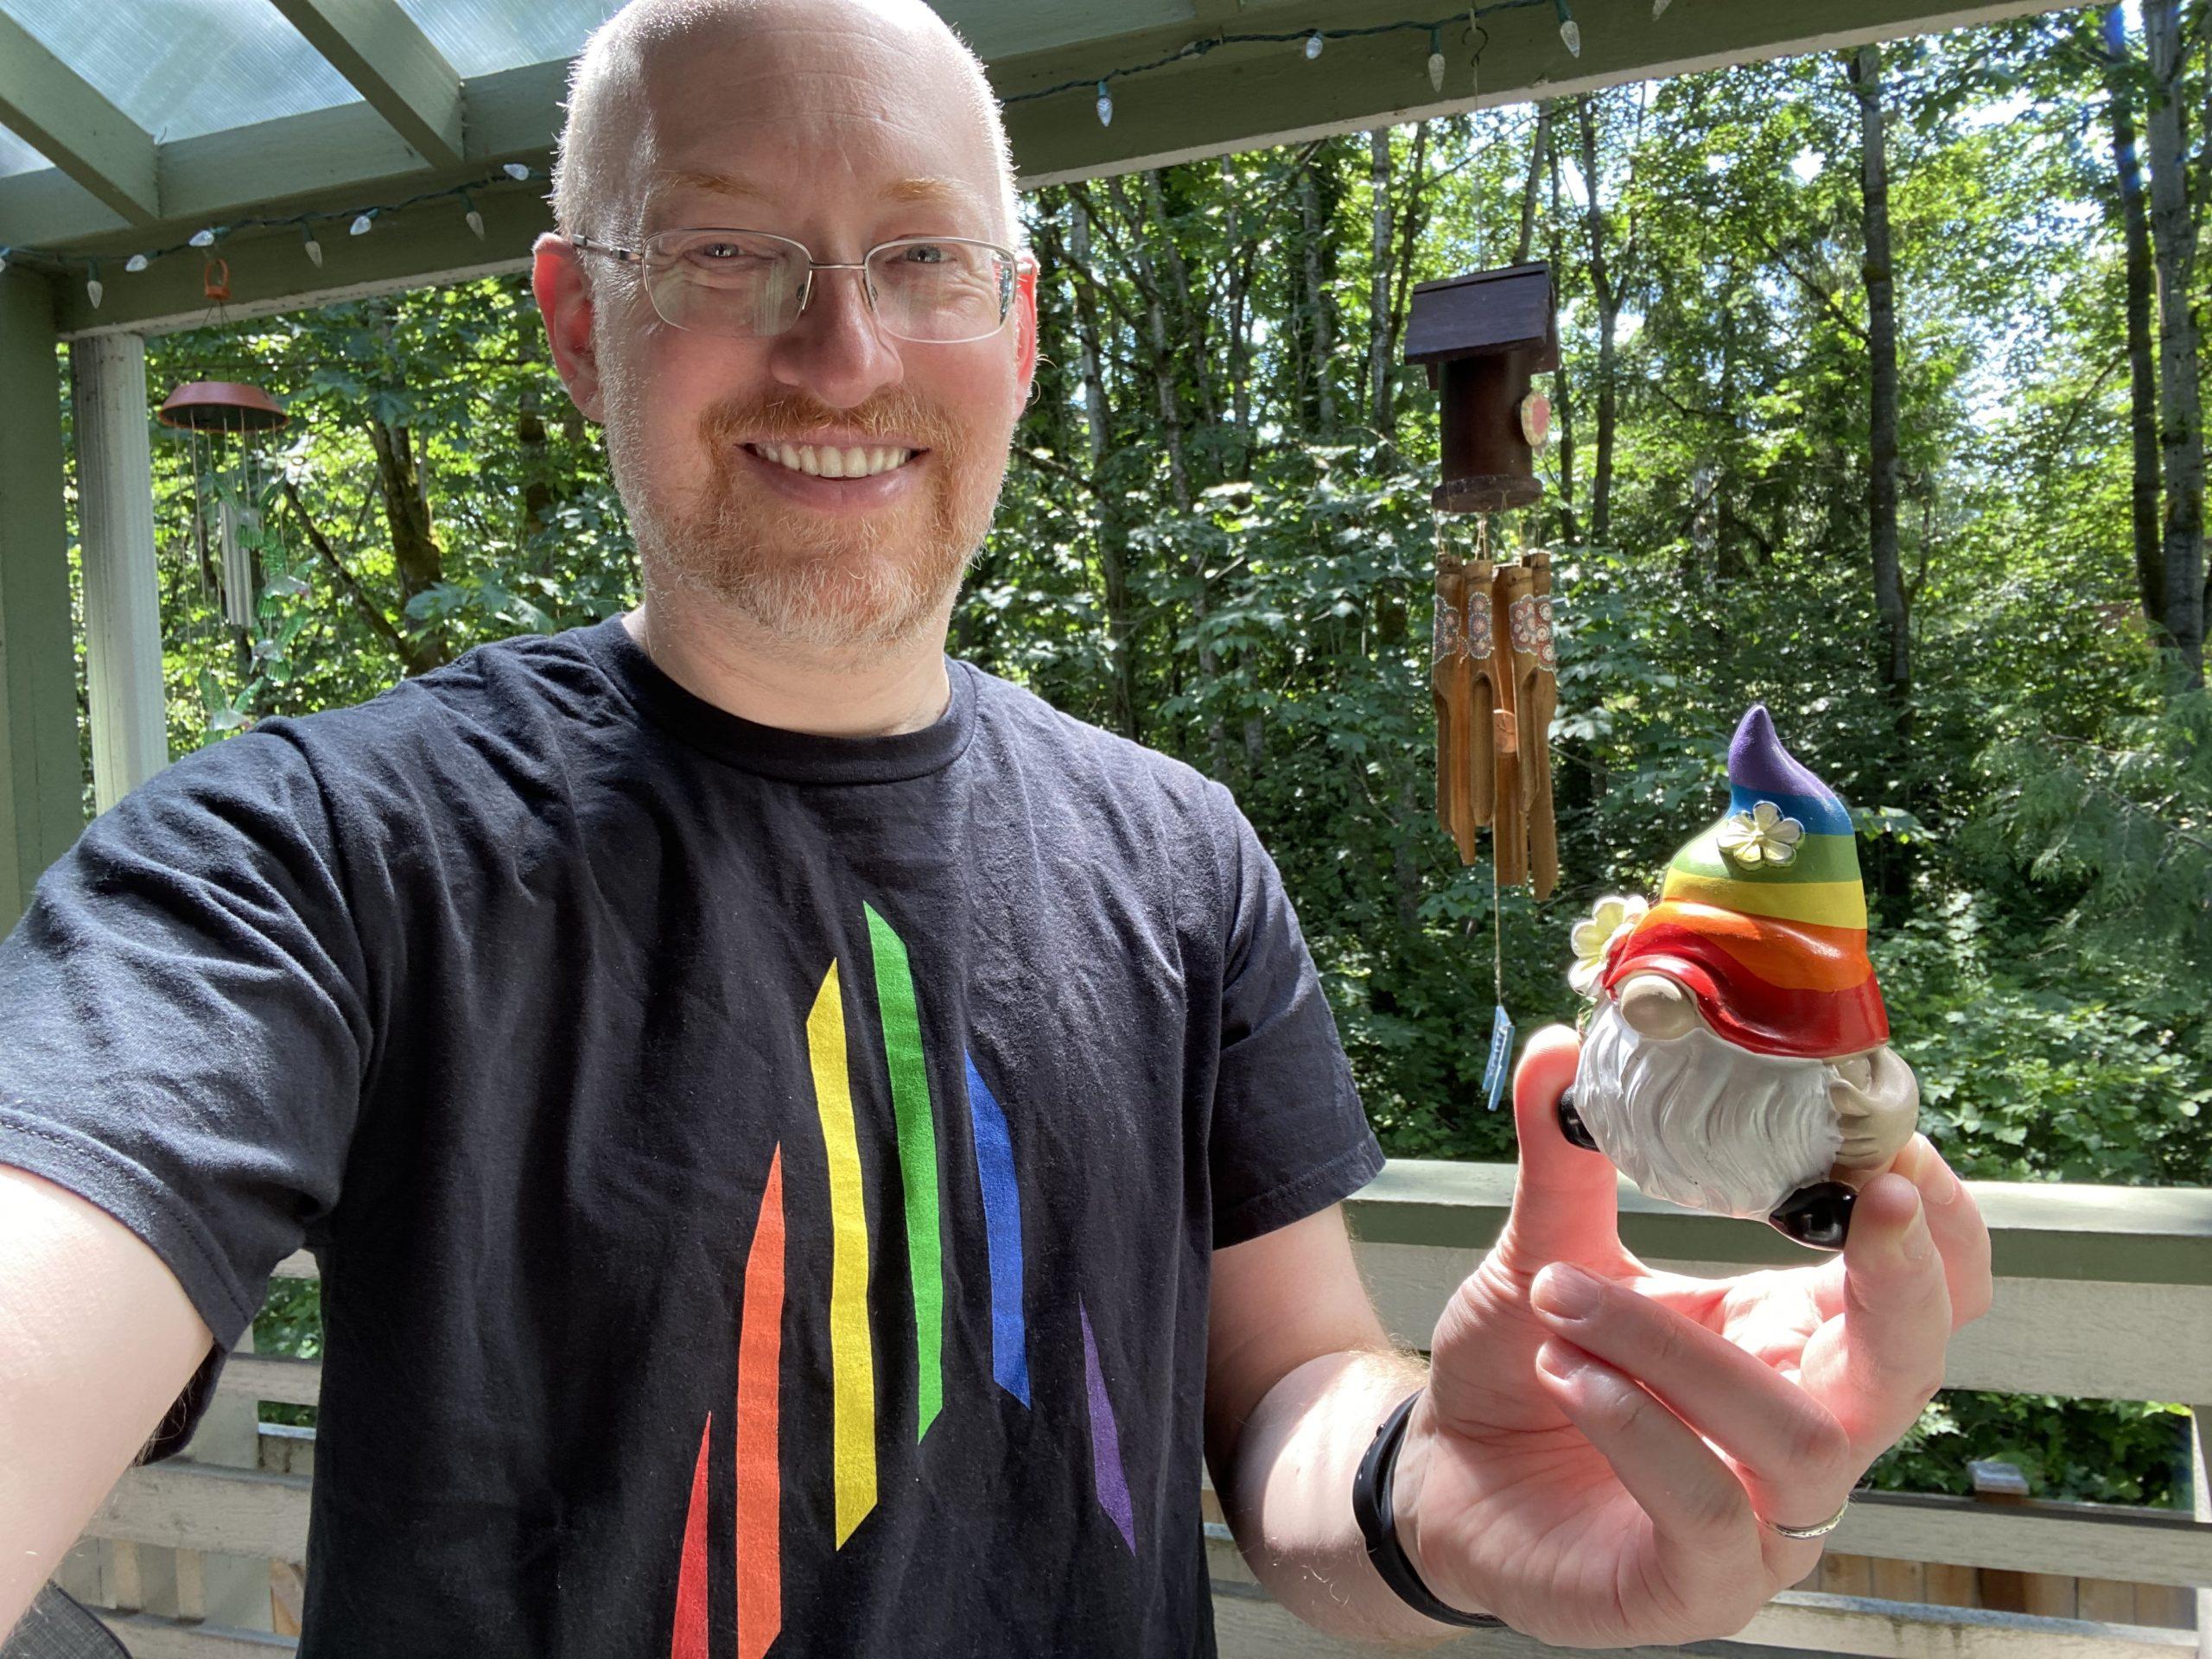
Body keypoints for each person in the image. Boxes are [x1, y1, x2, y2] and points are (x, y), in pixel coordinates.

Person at [0, 0, 1992, 1652]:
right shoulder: (307, 856)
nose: (841, 350)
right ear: (577, 321)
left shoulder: (1181, 856)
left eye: (920, 256)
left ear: (1018, 331)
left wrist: (1427, 1493)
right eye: (721, 250)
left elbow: (1286, 1388)